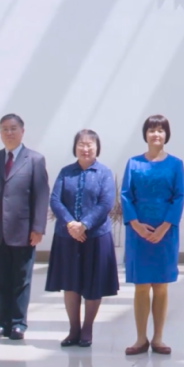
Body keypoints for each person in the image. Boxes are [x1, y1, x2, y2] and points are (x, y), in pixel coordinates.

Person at [0, 114, 51, 341]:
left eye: (13, 128)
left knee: (21, 279)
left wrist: (38, 228)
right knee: (0, 279)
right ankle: (2, 323)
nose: (9, 133)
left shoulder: (35, 159)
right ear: (0, 133)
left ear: (22, 131)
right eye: (4, 129)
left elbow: (41, 196)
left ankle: (18, 323)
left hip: (24, 231)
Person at [46, 129, 120, 348]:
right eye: (81, 144)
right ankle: (73, 330)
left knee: (93, 284)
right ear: (75, 147)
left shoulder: (104, 173)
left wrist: (84, 224)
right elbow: (55, 200)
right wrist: (70, 224)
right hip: (67, 236)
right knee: (70, 283)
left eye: (90, 144)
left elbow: (106, 203)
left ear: (97, 148)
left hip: (96, 236)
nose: (85, 148)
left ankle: (87, 329)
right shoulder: (66, 172)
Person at [121, 115, 184, 356]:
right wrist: (135, 224)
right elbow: (126, 195)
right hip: (138, 233)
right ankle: (140, 338)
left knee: (160, 286)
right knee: (140, 286)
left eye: (160, 130)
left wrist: (164, 227)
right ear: (145, 134)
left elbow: (179, 196)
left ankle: (158, 338)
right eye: (151, 130)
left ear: (166, 134)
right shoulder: (133, 163)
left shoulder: (176, 164)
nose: (156, 134)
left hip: (165, 233)